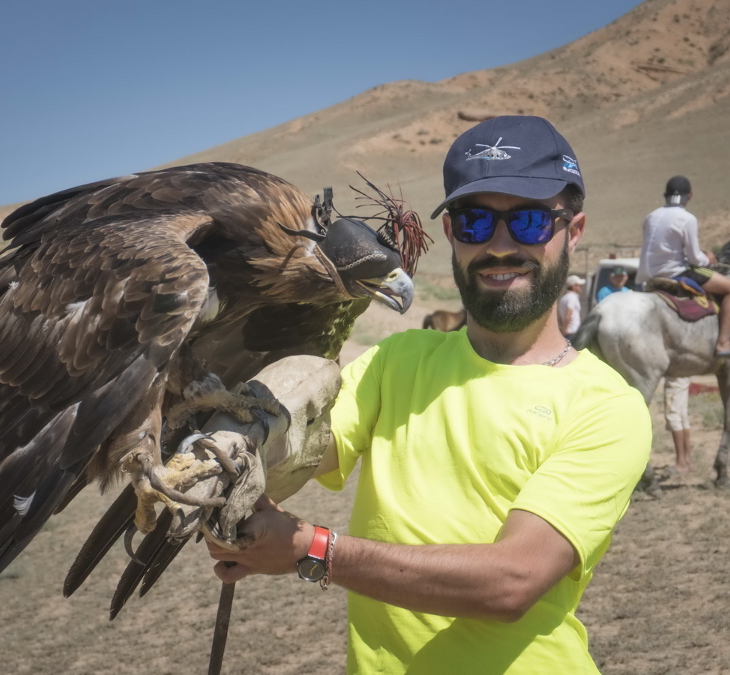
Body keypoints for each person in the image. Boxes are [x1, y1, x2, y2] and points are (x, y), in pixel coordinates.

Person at [206, 115, 651, 673]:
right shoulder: (398, 362)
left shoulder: (606, 406)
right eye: (474, 222)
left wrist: (310, 548)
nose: (500, 245)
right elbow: (294, 447)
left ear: (574, 230)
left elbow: (511, 583)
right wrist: (226, 451)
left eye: (531, 222)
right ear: (451, 236)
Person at [637, 175, 730, 357]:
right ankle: (723, 343)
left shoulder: (650, 217)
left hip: (647, 275)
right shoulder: (687, 218)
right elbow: (695, 259)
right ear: (689, 196)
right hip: (675, 272)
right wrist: (708, 259)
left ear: (665, 195)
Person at [664, 377, 692, 473]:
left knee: (672, 414)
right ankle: (686, 458)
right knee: (682, 414)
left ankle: (681, 463)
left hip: (675, 376)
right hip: (685, 374)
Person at [558, 274, 585, 339]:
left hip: (567, 332)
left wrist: (562, 329)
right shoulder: (572, 298)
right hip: (571, 333)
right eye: (579, 285)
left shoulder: (564, 298)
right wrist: (564, 332)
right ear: (574, 286)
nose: (580, 287)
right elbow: (568, 316)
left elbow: (559, 316)